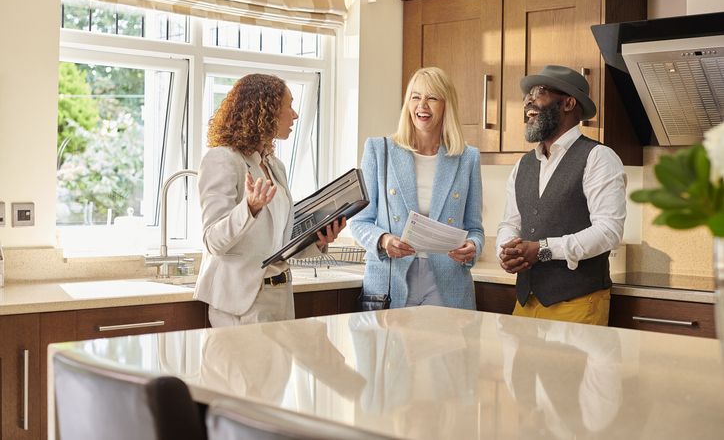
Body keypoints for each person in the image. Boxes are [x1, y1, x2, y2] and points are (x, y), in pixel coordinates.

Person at [194, 73, 345, 327]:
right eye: (288, 106)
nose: (295, 115)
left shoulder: (274, 166)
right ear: (265, 111)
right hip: (240, 304)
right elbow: (213, 240)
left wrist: (318, 240)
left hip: (280, 297)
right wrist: (249, 209)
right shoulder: (222, 159)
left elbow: (280, 240)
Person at [496, 65, 627, 326]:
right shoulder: (523, 164)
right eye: (527, 95)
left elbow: (609, 231)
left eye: (539, 92)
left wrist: (543, 250)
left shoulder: (599, 157)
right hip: (525, 301)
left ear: (568, 103)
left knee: (568, 370)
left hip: (578, 303)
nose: (528, 101)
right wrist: (508, 250)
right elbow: (510, 223)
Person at [350, 67, 484, 310]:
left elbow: (474, 227)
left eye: (432, 98)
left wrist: (473, 246)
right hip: (390, 281)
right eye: (416, 97)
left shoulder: (468, 158)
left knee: (448, 349)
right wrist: (382, 239)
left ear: (446, 105)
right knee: (391, 349)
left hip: (448, 282)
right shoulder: (379, 150)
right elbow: (360, 221)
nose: (423, 105)